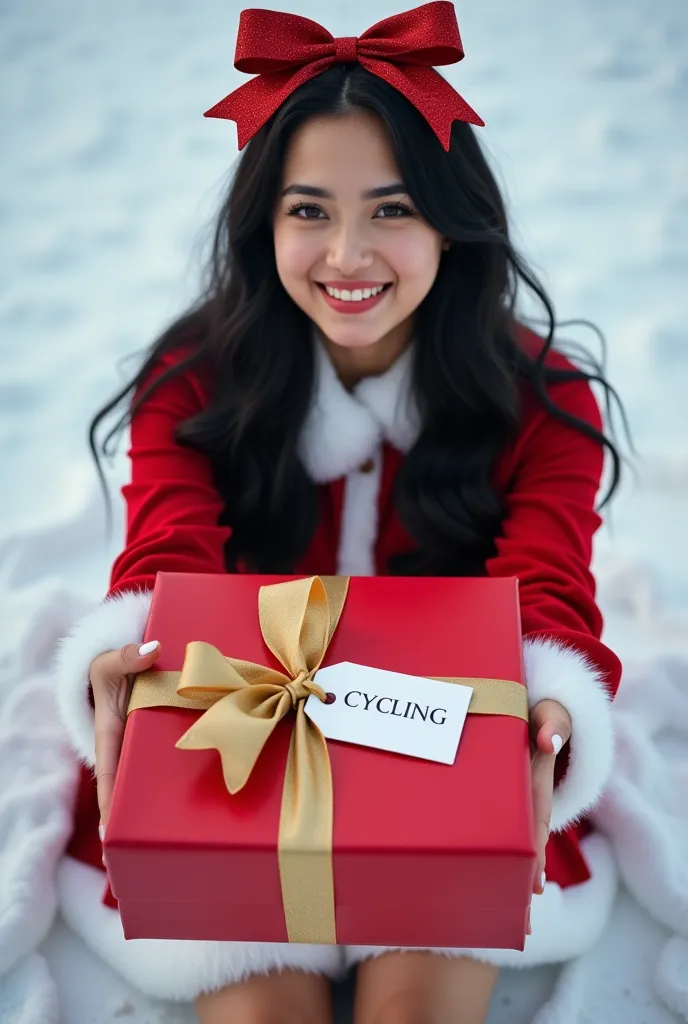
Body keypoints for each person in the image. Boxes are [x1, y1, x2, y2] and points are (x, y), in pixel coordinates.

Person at [54, 3, 625, 1021]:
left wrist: (549, 712)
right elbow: (166, 552)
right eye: (309, 210)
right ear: (263, 222)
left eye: (393, 210)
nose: (348, 255)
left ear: (451, 220)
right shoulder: (195, 381)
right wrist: (128, 649)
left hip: (449, 751)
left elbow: (548, 586)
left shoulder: (544, 397)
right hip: (233, 756)